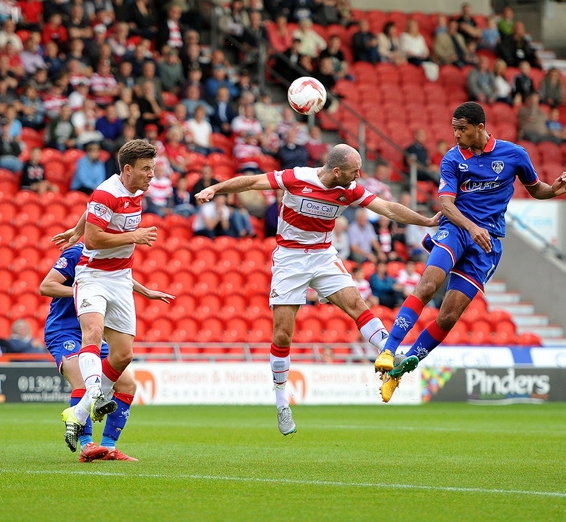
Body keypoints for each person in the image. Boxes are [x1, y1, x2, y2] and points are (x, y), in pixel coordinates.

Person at [194, 144, 440, 435]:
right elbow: (250, 181)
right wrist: (215, 189)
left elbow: (386, 207)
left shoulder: (349, 189)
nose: (358, 175)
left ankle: (389, 353)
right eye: (353, 170)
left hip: (323, 255)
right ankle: (281, 401)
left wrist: (425, 220)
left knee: (357, 304)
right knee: (283, 333)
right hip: (290, 258)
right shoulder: (296, 178)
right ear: (337, 170)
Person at [374, 101, 566, 403]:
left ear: (480, 127)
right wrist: (472, 227)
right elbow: (446, 204)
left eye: (461, 129)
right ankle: (388, 350)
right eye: (454, 128)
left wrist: (555, 189)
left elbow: (537, 189)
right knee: (427, 284)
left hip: (487, 246)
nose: (456, 134)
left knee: (449, 316)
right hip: (456, 230)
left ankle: (399, 371)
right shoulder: (452, 159)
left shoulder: (515, 155)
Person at [52, 139, 163, 453]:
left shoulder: (135, 190)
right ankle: (95, 398)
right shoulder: (106, 191)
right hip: (93, 275)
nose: (151, 175)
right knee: (93, 332)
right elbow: (96, 237)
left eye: (152, 168)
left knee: (123, 354)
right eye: (145, 169)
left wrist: (74, 230)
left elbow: (91, 217)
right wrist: (135, 237)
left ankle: (79, 410)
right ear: (127, 170)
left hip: (121, 278)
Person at [39, 242, 172, 461]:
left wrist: (145, 291)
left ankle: (108, 447)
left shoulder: (109, 252)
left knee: (127, 385)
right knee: (83, 381)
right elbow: (46, 286)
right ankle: (86, 445)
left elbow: (118, 279)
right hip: (65, 331)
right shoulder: (77, 252)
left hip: (94, 331)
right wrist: (83, 290)